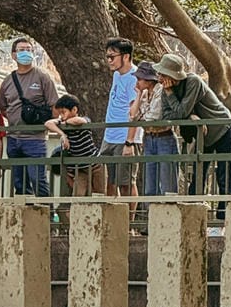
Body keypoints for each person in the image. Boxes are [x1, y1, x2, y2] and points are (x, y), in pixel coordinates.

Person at [154, 52, 231, 229]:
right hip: (202, 136)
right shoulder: (167, 91)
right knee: (198, 174)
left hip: (222, 128)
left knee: (224, 174)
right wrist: (189, 115)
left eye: (162, 74)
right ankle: (193, 217)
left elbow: (180, 112)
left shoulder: (193, 82)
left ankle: (224, 220)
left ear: (172, 75)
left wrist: (185, 112)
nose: (160, 78)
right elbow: (169, 116)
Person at [0, 38, 59, 196]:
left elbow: (55, 106)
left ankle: (46, 214)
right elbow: (2, 106)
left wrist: (45, 124)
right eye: (22, 50)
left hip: (35, 139)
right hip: (14, 138)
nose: (26, 53)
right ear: (14, 55)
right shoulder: (8, 81)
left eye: (29, 50)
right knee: (19, 182)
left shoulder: (42, 77)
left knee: (38, 179)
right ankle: (26, 215)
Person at [130, 61, 179, 199]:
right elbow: (133, 116)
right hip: (149, 138)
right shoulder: (145, 94)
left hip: (164, 137)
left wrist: (142, 119)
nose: (137, 82)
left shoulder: (161, 91)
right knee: (150, 186)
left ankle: (168, 217)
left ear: (149, 80)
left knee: (167, 185)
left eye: (140, 79)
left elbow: (153, 117)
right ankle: (150, 215)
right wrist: (138, 95)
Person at [100, 38, 139, 203]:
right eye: (107, 56)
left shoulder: (134, 77)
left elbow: (134, 112)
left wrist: (129, 142)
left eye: (113, 56)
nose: (109, 60)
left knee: (126, 183)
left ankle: (129, 226)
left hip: (125, 137)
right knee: (110, 182)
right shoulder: (117, 75)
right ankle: (111, 221)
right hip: (110, 135)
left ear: (126, 56)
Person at [45, 94, 106, 195]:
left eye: (64, 112)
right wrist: (63, 134)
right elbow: (48, 124)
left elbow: (79, 121)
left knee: (99, 193)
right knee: (78, 195)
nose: (61, 116)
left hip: (96, 165)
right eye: (60, 113)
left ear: (74, 110)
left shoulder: (84, 120)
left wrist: (63, 123)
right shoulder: (63, 124)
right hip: (80, 168)